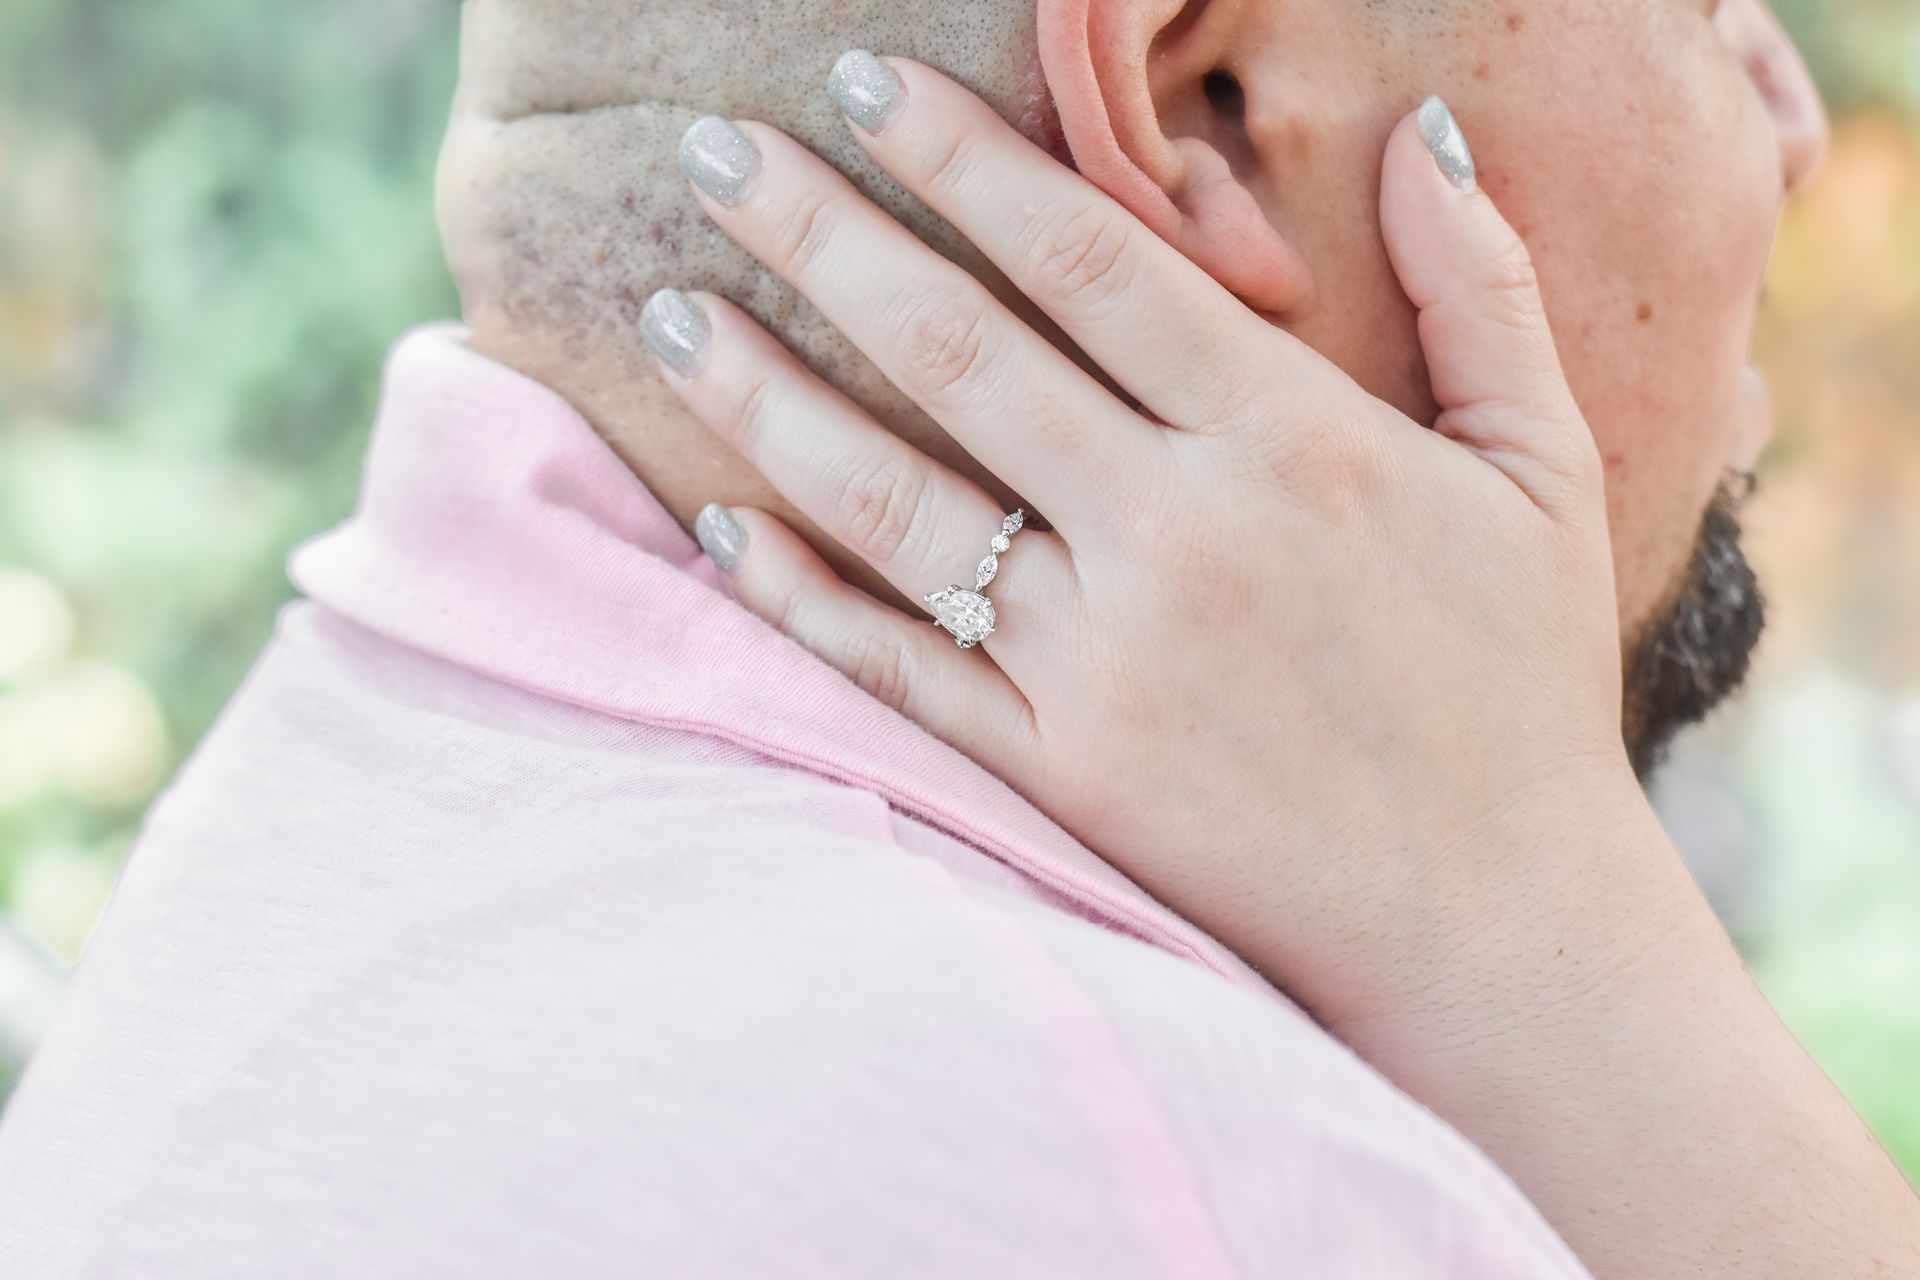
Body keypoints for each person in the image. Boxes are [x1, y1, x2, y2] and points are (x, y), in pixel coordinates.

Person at [1, 2, 1912, 1278]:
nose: (1792, 110)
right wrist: (1564, 970)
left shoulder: (324, 831)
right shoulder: (1192, 1179)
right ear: (1204, 107)